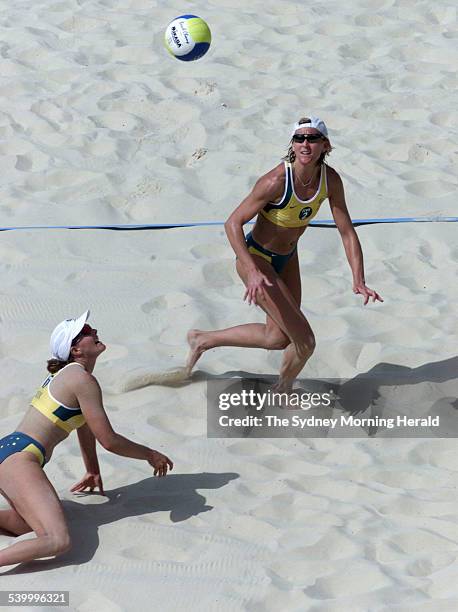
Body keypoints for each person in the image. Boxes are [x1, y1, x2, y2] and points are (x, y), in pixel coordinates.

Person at [186, 116, 383, 390]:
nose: (305, 143)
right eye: (299, 138)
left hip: (288, 258)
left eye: (312, 138)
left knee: (277, 338)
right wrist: (251, 270)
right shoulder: (276, 180)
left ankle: (202, 339)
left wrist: (358, 279)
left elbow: (347, 231)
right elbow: (232, 223)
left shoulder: (330, 180)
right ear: (293, 144)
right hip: (257, 259)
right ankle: (283, 391)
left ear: (325, 145)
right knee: (305, 341)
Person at [0, 310, 173, 568]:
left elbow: (83, 424)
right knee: (57, 540)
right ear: (76, 351)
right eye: (85, 332)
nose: (93, 332)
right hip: (20, 459)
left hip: (11, 450)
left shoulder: (68, 375)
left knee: (25, 525)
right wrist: (150, 454)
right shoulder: (82, 379)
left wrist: (91, 468)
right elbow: (110, 440)